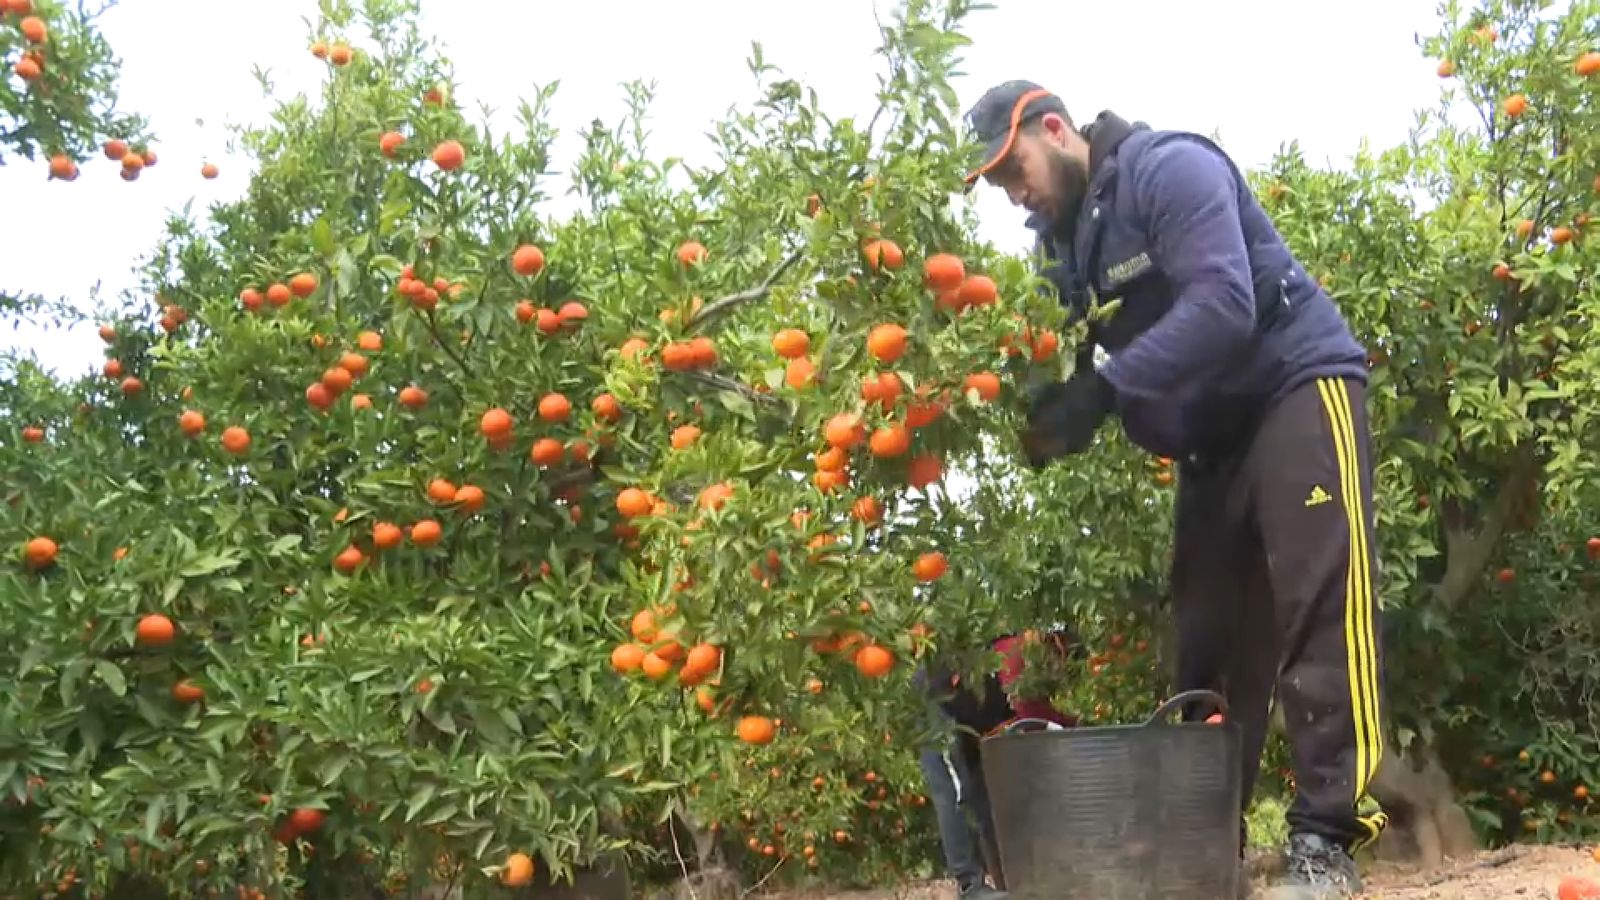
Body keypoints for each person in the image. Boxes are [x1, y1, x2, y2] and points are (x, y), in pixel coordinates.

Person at [960, 81, 1389, 900]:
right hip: (1209, 447)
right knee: (1205, 650)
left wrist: (1108, 390)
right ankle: (1201, 853)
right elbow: (1049, 355)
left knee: (1318, 610)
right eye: (998, 184)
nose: (1014, 192)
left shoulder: (1168, 169)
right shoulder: (1060, 249)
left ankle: (1328, 841)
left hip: (1293, 390)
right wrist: (1033, 403)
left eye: (1015, 168)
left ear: (1055, 128)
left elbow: (1225, 303)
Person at [913, 632, 1077, 900]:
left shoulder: (1037, 678)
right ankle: (969, 885)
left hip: (973, 721)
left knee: (988, 794)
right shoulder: (1015, 652)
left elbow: (1037, 713)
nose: (1060, 671)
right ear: (1054, 647)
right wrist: (1076, 725)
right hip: (937, 703)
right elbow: (1031, 712)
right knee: (954, 790)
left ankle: (1007, 879)